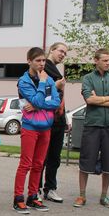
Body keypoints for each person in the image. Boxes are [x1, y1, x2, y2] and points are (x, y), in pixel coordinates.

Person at [74, 49, 109, 208]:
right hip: (92, 125)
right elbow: (89, 100)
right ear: (96, 61)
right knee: (86, 160)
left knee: (108, 162)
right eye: (105, 60)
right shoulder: (88, 78)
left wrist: (99, 99)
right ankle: (82, 196)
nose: (108, 63)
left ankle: (104, 196)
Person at [13, 47, 60, 214]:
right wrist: (41, 84)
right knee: (25, 163)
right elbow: (39, 100)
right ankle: (18, 198)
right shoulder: (24, 81)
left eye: (44, 60)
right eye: (38, 60)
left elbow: (56, 102)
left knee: (39, 164)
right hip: (30, 127)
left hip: (46, 126)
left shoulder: (49, 79)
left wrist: (37, 105)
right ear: (29, 61)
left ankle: (33, 196)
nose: (42, 64)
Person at [41, 42, 69, 203]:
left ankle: (50, 188)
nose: (63, 55)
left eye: (65, 53)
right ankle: (35, 189)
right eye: (61, 51)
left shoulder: (57, 71)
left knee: (54, 157)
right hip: (46, 119)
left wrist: (65, 117)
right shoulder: (44, 67)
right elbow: (42, 93)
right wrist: (55, 86)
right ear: (52, 50)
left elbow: (61, 97)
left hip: (58, 119)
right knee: (42, 157)